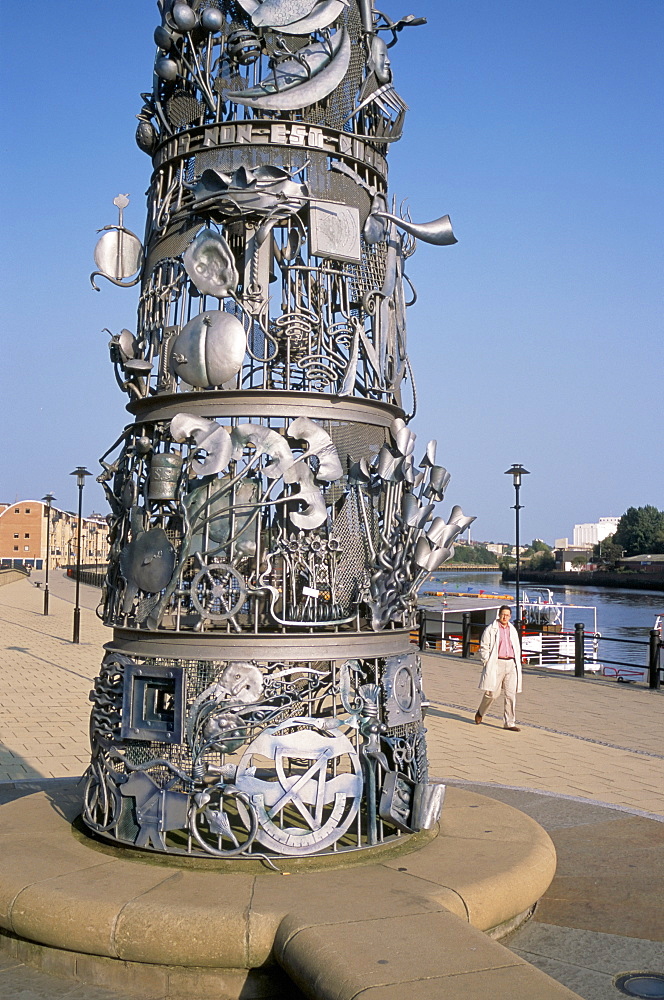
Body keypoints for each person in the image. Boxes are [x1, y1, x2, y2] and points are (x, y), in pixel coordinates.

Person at [475, 605, 522, 731]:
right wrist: (486, 660)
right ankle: (481, 712)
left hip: (511, 663)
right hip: (497, 663)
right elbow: (484, 646)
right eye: (503, 614)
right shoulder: (491, 629)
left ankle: (509, 723)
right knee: (492, 694)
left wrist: (517, 662)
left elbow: (516, 647)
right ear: (499, 615)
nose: (505, 617)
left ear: (510, 616)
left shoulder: (512, 629)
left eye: (507, 615)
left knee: (511, 694)